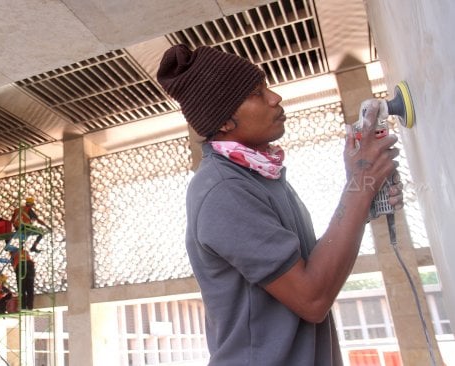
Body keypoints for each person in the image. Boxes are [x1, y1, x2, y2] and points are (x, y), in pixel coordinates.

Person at [156, 44, 404, 365]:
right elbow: (312, 299)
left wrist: (363, 202)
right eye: (257, 93)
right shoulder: (224, 190)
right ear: (224, 122)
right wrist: (360, 186)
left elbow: (312, 270)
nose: (275, 98)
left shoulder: (262, 176)